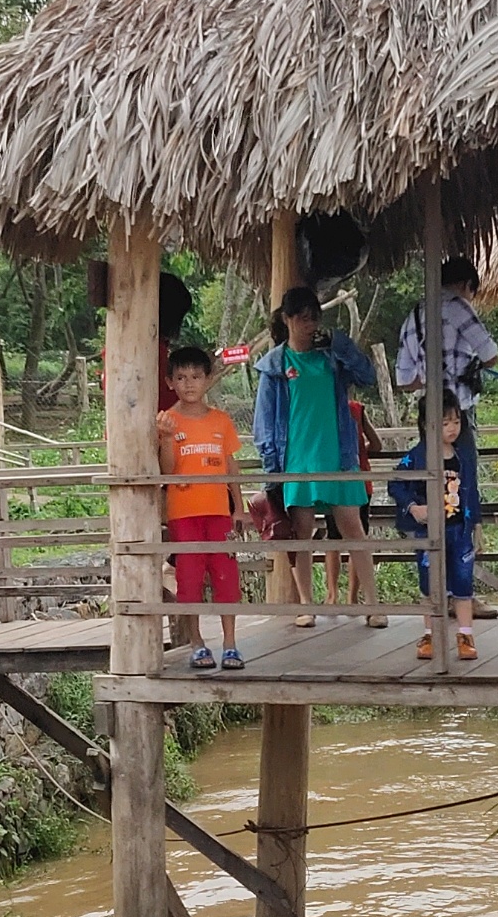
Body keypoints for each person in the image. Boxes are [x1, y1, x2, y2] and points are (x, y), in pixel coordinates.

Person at [258, 285, 380, 626]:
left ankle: (372, 605)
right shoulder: (274, 366)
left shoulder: (332, 357)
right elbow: (265, 424)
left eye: (315, 318)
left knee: (354, 529)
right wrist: (272, 473)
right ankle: (307, 605)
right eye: (302, 318)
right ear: (287, 320)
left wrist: (341, 344)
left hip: (338, 456)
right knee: (302, 533)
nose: (310, 325)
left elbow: (366, 376)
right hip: (296, 459)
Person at [393, 251, 498, 541]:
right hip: (456, 410)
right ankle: (469, 534)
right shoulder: (458, 307)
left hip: (429, 411)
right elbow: (491, 355)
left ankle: (432, 534)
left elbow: (404, 379)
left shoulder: (414, 314)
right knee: (463, 473)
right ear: (466, 285)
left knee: (434, 475)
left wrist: (431, 376)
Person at [157, 340, 244, 672]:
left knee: (225, 577)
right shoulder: (167, 421)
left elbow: (230, 466)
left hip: (219, 512)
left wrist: (239, 507)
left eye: (196, 376)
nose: (189, 384)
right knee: (190, 580)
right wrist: (165, 438)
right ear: (170, 382)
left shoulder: (221, 421)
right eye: (181, 377)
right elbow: (166, 471)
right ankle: (196, 643)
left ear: (209, 379)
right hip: (184, 513)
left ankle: (231, 644)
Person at [392, 397, 479, 663]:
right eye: (445, 423)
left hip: (459, 529)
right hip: (429, 532)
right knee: (430, 584)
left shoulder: (463, 456)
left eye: (456, 422)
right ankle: (430, 634)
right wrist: (413, 507)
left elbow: (472, 493)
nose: (452, 428)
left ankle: (465, 635)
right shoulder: (417, 456)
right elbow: (396, 482)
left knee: (463, 584)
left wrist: (476, 526)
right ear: (428, 425)